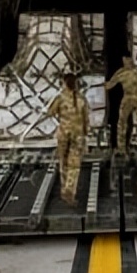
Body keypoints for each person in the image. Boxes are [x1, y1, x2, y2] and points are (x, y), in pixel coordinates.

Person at [45, 72, 89, 204]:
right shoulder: (82, 99)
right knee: (74, 164)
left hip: (63, 133)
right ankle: (69, 190)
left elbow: (50, 112)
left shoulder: (60, 98)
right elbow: (86, 119)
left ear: (64, 83)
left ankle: (64, 188)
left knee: (63, 161)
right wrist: (86, 134)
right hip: (78, 134)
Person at [105, 55, 137, 153]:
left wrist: (107, 85)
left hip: (133, 98)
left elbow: (110, 85)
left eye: (127, 60)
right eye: (124, 60)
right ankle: (122, 148)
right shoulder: (134, 72)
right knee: (125, 123)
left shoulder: (130, 72)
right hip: (134, 98)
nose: (126, 62)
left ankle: (123, 148)